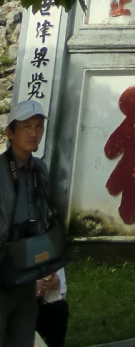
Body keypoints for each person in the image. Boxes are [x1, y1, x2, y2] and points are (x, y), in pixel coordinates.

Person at [1, 100, 54, 347]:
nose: (34, 133)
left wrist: (47, 266)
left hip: (27, 272)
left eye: (38, 126)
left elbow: (44, 217)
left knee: (23, 336)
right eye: (26, 126)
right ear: (10, 132)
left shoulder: (40, 170)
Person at [35, 270, 68, 347]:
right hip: (14, 310)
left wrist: (55, 285)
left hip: (40, 307)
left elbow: (59, 294)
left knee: (59, 307)